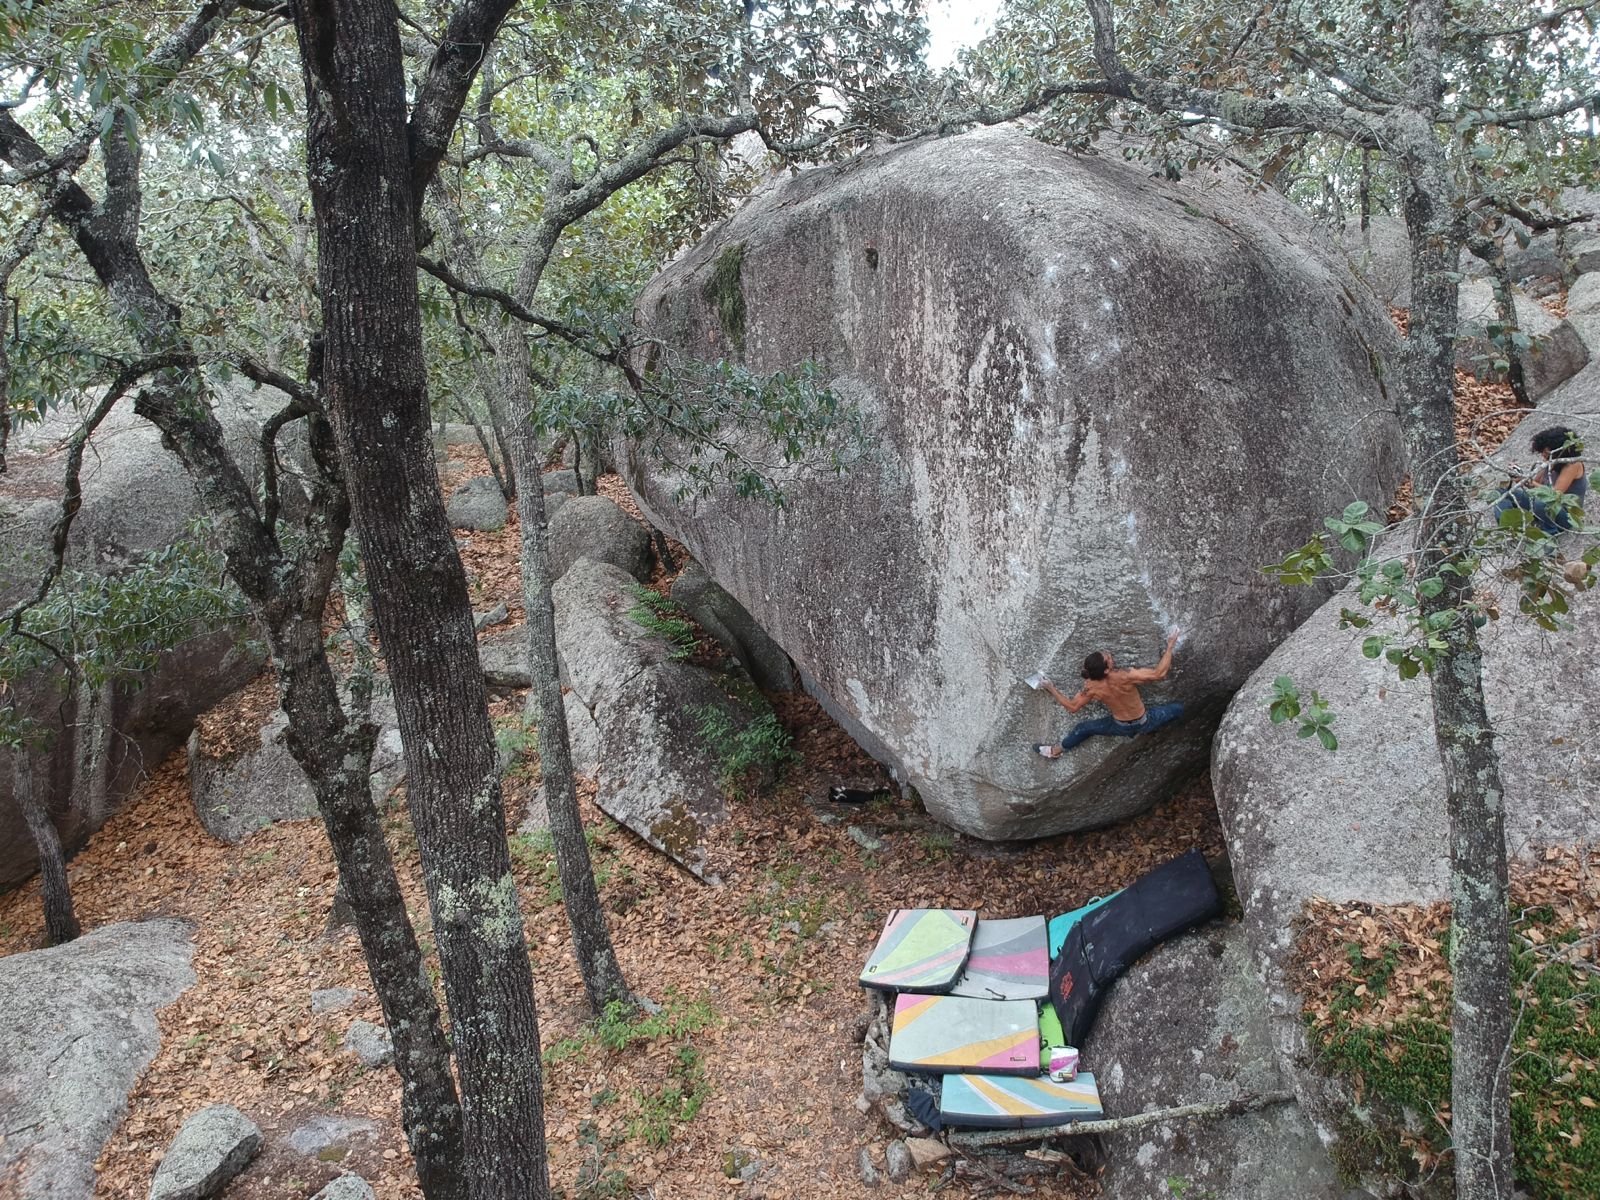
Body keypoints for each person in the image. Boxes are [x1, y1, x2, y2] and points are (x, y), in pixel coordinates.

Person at [1033, 631, 1183, 758]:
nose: (1109, 655)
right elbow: (1159, 673)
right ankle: (1154, 730)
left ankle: (1054, 751)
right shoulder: (1125, 676)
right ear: (1106, 670)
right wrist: (1170, 645)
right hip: (1145, 721)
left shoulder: (1091, 687)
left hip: (1120, 727)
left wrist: (1050, 687)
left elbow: (1072, 707)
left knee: (1083, 728)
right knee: (1178, 708)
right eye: (1108, 658)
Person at [1494, 425, 1588, 536]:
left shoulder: (1573, 465)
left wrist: (1529, 481)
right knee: (1500, 493)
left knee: (1542, 502)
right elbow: (1534, 485)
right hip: (1541, 505)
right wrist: (1521, 476)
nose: (1543, 455)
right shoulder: (1550, 461)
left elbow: (1554, 495)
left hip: (1564, 514)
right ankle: (1506, 525)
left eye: (1545, 451)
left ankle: (1549, 533)